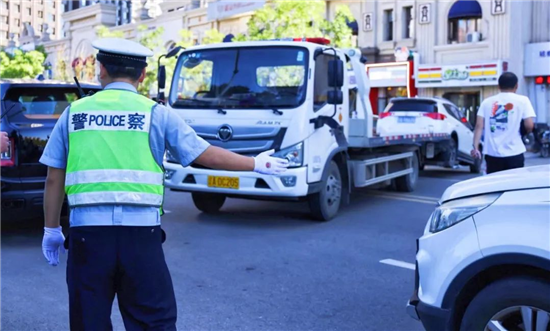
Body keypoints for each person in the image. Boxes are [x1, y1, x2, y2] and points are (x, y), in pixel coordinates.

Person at [40, 38, 289, 331]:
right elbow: (203, 153)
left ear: (101, 70)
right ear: (142, 75)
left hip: (87, 238)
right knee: (152, 321)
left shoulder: (74, 114)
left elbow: (54, 177)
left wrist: (51, 229)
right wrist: (257, 164)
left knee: (88, 322)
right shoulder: (156, 113)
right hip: (142, 238)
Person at [471, 72, 536, 174]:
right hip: (515, 152)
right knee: (514, 186)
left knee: (494, 185)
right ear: (516, 86)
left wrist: (475, 148)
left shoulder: (487, 102)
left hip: (492, 154)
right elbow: (529, 125)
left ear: (499, 86)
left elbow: (479, 126)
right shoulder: (523, 100)